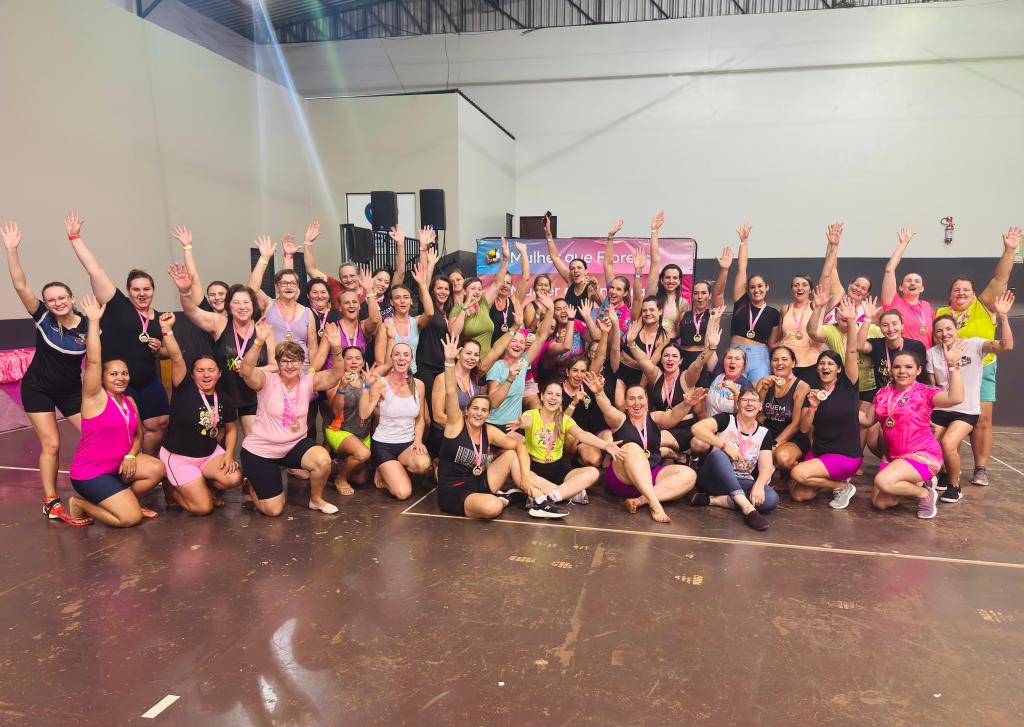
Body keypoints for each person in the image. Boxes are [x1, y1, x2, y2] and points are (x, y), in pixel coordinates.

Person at [3, 220, 90, 525]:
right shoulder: (42, 317)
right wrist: (11, 250)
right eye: (51, 299)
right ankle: (51, 501)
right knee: (51, 444)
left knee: (93, 434)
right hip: (38, 388)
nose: (57, 302)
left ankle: (98, 485)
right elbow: (20, 285)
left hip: (71, 391)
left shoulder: (88, 324)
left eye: (61, 297)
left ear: (71, 298)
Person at [67, 210, 169, 454]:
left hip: (149, 381)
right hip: (119, 382)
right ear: (128, 291)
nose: (142, 293)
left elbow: (167, 352)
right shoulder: (117, 305)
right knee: (127, 428)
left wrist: (159, 349)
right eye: (136, 289)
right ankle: (125, 466)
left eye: (146, 289)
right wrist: (75, 238)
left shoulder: (160, 318)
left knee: (159, 424)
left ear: (153, 290)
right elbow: (95, 270)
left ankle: (148, 463)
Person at [66, 295, 166, 527]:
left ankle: (127, 501)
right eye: (113, 374)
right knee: (130, 519)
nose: (120, 378)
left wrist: (131, 455)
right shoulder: (94, 398)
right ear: (102, 378)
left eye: (124, 373)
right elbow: (94, 360)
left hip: (119, 466)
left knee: (156, 468)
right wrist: (93, 322)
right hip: (92, 474)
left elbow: (139, 435)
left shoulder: (129, 401)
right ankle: (81, 504)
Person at [934, 225, 1020, 487]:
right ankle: (949, 469)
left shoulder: (984, 306)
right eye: (956, 290)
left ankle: (980, 468)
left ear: (974, 294)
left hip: (981, 370)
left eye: (966, 290)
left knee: (982, 420)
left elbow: (1000, 279)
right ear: (950, 294)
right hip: (950, 371)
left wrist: (1010, 250)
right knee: (950, 421)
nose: (961, 293)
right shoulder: (941, 314)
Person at [238, 321, 345, 517]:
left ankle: (316, 500)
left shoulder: (307, 382)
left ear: (302, 363)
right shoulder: (266, 380)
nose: (290, 366)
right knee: (274, 510)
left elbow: (336, 375)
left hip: (293, 445)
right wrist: (259, 341)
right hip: (261, 450)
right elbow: (246, 370)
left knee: (322, 459)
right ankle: (251, 485)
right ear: (278, 363)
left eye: (295, 361)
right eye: (285, 361)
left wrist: (337, 348)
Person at [927, 292, 1014, 503]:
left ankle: (954, 486)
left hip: (966, 411)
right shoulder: (932, 353)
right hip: (941, 410)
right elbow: (933, 388)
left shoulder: (974, 344)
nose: (944, 333)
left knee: (948, 443)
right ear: (935, 334)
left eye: (948, 329)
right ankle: (944, 472)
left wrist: (1003, 316)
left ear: (956, 328)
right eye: (939, 331)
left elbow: (1006, 345)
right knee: (928, 444)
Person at [436, 336, 533, 519]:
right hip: (456, 492)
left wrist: (526, 478)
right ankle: (503, 500)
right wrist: (449, 361)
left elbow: (519, 446)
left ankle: (538, 498)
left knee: (511, 455)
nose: (478, 414)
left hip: (479, 481)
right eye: (475, 409)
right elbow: (450, 391)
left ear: (489, 414)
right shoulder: (456, 425)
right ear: (467, 410)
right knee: (492, 507)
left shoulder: (487, 430)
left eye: (484, 410)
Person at [584, 372, 701, 523]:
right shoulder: (619, 420)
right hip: (623, 479)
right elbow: (607, 408)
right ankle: (655, 504)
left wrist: (686, 405)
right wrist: (599, 393)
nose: (637, 403)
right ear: (625, 404)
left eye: (640, 398)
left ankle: (640, 501)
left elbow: (672, 416)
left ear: (647, 400)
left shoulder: (655, 418)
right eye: (632, 399)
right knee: (631, 448)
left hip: (649, 476)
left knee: (689, 474)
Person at [169, 265, 271, 435]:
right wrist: (185, 292)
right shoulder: (220, 323)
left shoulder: (263, 329)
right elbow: (192, 311)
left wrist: (251, 370)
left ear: (253, 305)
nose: (242, 307)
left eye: (246, 302)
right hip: (223, 392)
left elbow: (275, 366)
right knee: (218, 438)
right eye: (236, 303)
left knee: (254, 436)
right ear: (229, 306)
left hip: (252, 394)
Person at [157, 312, 242, 515]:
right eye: (200, 370)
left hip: (209, 455)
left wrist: (229, 455)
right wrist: (167, 330)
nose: (206, 375)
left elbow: (231, 429)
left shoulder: (224, 398)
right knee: (203, 508)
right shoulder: (183, 387)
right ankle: (172, 489)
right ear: (192, 374)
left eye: (211, 370)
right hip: (180, 458)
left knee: (234, 477)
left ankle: (202, 485)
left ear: (219, 374)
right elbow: (176, 356)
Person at [865, 346, 964, 519]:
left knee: (883, 481)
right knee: (880, 502)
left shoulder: (925, 392)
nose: (902, 371)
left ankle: (924, 494)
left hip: (922, 455)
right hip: (893, 457)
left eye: (908, 367)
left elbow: (955, 398)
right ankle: (917, 482)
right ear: (891, 370)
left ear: (918, 370)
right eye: (897, 367)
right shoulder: (882, 393)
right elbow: (867, 420)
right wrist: (837, 407)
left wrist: (953, 365)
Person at [508, 380, 624, 518]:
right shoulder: (531, 414)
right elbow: (527, 422)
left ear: (561, 400)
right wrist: (521, 422)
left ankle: (550, 498)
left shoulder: (564, 419)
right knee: (523, 475)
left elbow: (582, 434)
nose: (553, 398)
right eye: (549, 394)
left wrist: (606, 445)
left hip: (558, 469)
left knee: (593, 473)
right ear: (542, 396)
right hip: (535, 468)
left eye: (558, 395)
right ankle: (568, 493)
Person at [789, 298, 865, 509]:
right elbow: (804, 428)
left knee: (798, 473)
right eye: (821, 363)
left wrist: (851, 320)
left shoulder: (848, 385)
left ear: (838, 369)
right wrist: (813, 406)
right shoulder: (814, 392)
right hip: (821, 451)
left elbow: (851, 351)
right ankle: (835, 482)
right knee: (798, 494)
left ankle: (842, 486)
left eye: (831, 364)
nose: (825, 367)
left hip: (845, 455)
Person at [689, 387, 779, 530]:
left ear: (760, 406)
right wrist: (724, 446)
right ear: (738, 404)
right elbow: (696, 428)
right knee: (718, 455)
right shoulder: (726, 419)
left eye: (754, 400)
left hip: (741, 480)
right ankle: (747, 508)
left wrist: (759, 485)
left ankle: (713, 500)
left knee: (771, 498)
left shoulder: (764, 432)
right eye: (745, 400)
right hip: (714, 479)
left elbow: (766, 467)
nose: (749, 403)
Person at [362, 342, 431, 501]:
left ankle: (393, 468)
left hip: (407, 444)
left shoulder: (419, 385)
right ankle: (383, 468)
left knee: (423, 464)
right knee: (403, 493)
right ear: (391, 358)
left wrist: (418, 440)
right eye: (397, 354)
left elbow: (420, 418)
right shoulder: (381, 384)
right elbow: (365, 414)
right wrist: (366, 386)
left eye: (406, 355)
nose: (401, 358)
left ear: (411, 359)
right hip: (384, 445)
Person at [720, 224, 781, 381]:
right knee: (732, 391)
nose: (756, 290)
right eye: (752, 287)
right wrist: (744, 241)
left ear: (767, 287)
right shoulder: (741, 302)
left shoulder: (773, 313)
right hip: (736, 353)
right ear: (747, 289)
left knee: (758, 392)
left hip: (760, 358)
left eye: (760, 286)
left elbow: (772, 343)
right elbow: (742, 269)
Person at [248, 235, 316, 366]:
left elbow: (312, 348)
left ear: (297, 288)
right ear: (277, 287)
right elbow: (251, 291)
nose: (289, 287)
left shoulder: (307, 312)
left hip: (302, 370)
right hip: (275, 369)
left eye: (293, 284)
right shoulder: (268, 304)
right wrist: (264, 258)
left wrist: (311, 372)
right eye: (283, 284)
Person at [486, 304, 556, 430]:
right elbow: (494, 403)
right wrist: (510, 378)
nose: (518, 345)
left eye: (522, 342)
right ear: (506, 344)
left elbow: (541, 336)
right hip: (494, 425)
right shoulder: (497, 366)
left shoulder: (522, 362)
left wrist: (550, 309)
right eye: (514, 341)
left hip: (514, 426)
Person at [374, 250, 438, 374]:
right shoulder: (385, 326)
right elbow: (380, 362)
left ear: (411, 301)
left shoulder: (416, 322)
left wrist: (422, 284)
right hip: (392, 377)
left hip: (412, 375)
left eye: (406, 297)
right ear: (391, 302)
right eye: (398, 298)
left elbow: (430, 312)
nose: (402, 301)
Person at [754, 347, 811, 481]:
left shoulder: (802, 386)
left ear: (793, 363)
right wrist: (763, 390)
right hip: (768, 433)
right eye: (775, 360)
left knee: (782, 457)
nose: (779, 363)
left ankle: (794, 476)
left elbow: (796, 424)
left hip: (793, 437)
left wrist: (774, 444)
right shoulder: (764, 382)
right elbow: (757, 415)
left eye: (784, 359)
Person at [324, 347, 374, 496]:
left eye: (358, 358)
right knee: (363, 453)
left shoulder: (368, 380)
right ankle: (340, 478)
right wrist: (342, 387)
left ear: (363, 362)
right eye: (349, 358)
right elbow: (335, 410)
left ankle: (332, 467)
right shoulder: (335, 380)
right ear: (343, 361)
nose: (354, 362)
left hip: (362, 434)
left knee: (360, 479)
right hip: (340, 431)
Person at [416, 272, 467, 414]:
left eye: (446, 289)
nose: (443, 292)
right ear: (432, 290)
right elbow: (423, 289)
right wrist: (430, 265)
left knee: (446, 406)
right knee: (434, 410)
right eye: (439, 288)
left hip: (445, 366)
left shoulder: (449, 311)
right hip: (427, 367)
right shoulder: (428, 308)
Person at [880, 227, 934, 348]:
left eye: (917, 281)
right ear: (900, 287)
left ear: (922, 288)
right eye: (908, 281)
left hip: (927, 356)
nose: (912, 283)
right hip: (904, 355)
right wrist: (903, 244)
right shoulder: (893, 303)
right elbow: (889, 270)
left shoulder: (927, 306)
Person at [545, 213, 602, 315]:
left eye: (579, 268)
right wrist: (549, 235)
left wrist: (597, 289)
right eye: (572, 268)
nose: (575, 270)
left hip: (583, 325)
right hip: (567, 324)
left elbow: (605, 308)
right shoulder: (570, 280)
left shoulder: (590, 289)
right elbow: (555, 257)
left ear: (586, 271)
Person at [820, 222, 872, 325]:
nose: (858, 289)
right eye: (857, 285)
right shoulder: (838, 297)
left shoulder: (868, 310)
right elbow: (831, 268)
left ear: (867, 294)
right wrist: (833, 245)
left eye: (863, 288)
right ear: (849, 285)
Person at [700, 318, 754, 418]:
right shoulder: (717, 372)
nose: (732, 361)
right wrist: (712, 319)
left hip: (730, 427)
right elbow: (709, 350)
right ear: (723, 362)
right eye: (729, 358)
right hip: (709, 424)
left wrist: (736, 393)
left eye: (737, 359)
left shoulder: (746, 385)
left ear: (743, 365)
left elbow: (744, 414)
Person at [647, 211, 689, 335]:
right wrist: (654, 231)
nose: (671, 281)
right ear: (661, 280)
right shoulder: (653, 292)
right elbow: (655, 261)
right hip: (651, 341)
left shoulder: (683, 303)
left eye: (675, 278)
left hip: (671, 343)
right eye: (668, 277)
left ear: (679, 281)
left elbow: (681, 330)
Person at [778, 274, 820, 384]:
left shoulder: (816, 307)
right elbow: (780, 337)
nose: (800, 288)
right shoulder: (785, 309)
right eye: (796, 285)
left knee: (808, 394)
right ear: (791, 290)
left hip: (810, 363)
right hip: (787, 364)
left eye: (804, 285)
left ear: (810, 290)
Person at [489, 240, 530, 343]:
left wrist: (523, 253)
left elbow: (525, 278)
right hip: (492, 348)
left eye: (508, 283)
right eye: (502, 282)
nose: (504, 285)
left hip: (510, 348)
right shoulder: (489, 301)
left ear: (511, 286)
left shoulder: (514, 301)